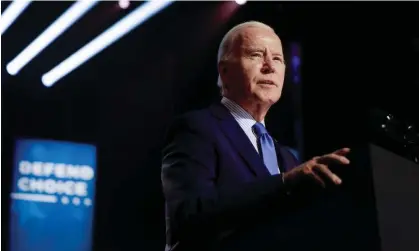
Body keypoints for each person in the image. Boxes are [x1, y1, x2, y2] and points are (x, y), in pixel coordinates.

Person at [161, 21, 351, 251]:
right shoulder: (197, 128)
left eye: (278, 59)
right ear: (225, 72)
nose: (270, 66)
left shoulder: (288, 159)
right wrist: (284, 182)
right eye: (256, 55)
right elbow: (189, 216)